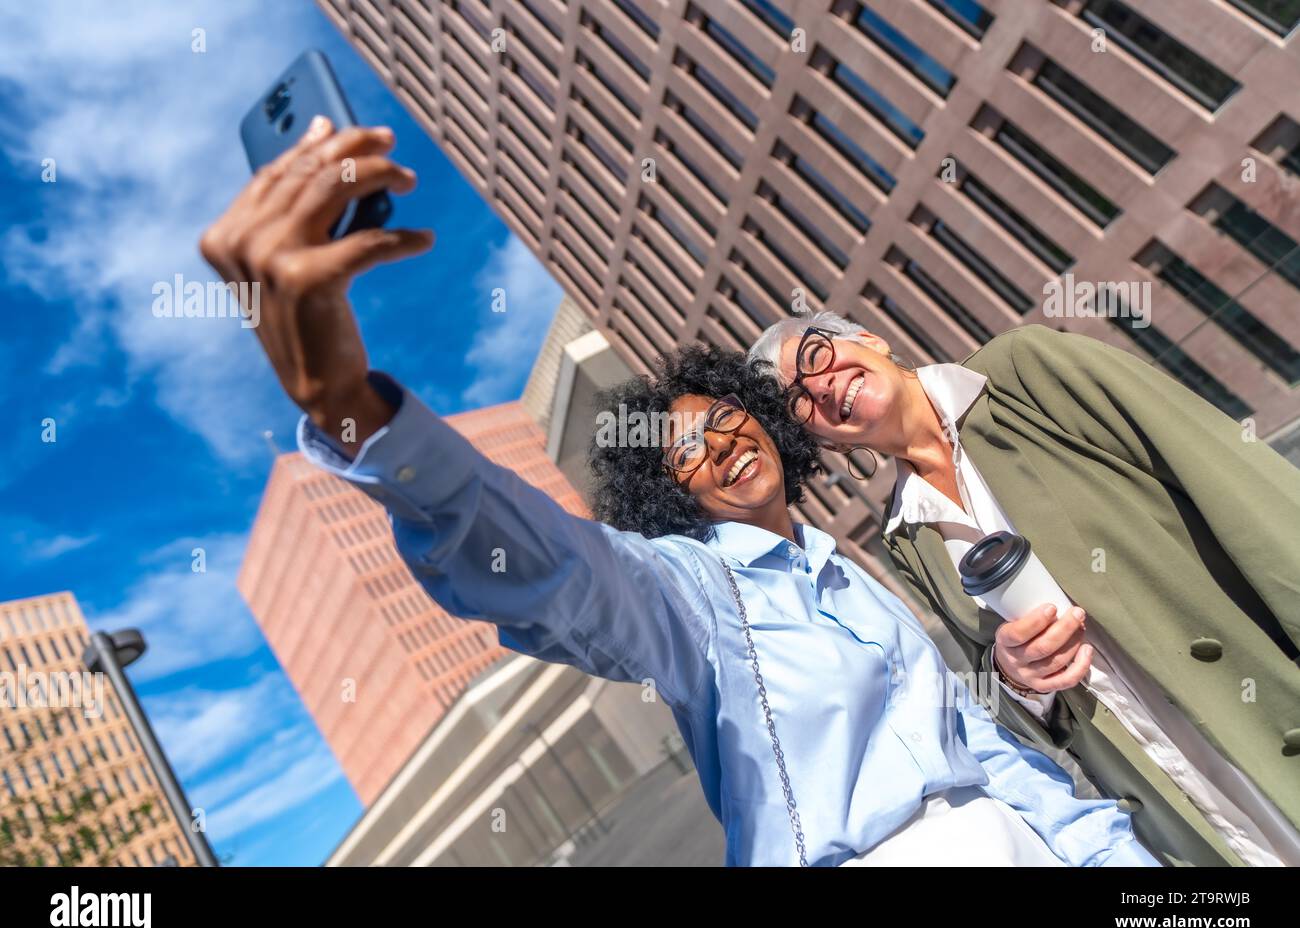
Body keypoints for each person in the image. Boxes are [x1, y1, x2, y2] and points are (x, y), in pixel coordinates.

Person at [199, 116, 1158, 866]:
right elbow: (553, 568)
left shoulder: (858, 573)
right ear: (674, 500)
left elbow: (984, 754)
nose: (721, 444)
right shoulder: (689, 597)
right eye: (685, 453)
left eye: (728, 417)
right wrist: (349, 407)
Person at [750, 311, 1300, 866]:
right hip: (1184, 807)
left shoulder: (1024, 373)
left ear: (870, 340)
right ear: (819, 438)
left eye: (817, 356)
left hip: (1259, 715)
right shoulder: (906, 537)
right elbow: (998, 701)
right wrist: (1018, 679)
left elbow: (1242, 494)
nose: (820, 387)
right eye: (800, 402)